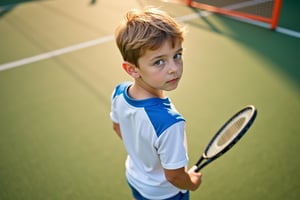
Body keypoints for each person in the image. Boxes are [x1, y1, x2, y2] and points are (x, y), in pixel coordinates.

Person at [110, 7, 202, 200]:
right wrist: (192, 183)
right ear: (132, 69)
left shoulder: (119, 92)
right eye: (159, 61)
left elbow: (118, 127)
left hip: (135, 178)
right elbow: (175, 176)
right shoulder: (170, 122)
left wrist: (143, 155)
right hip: (164, 195)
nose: (174, 69)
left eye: (177, 55)